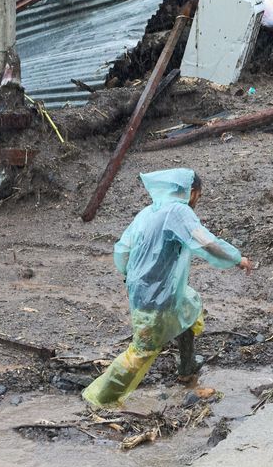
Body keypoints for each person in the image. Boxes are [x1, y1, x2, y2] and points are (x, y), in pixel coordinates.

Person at [82, 169, 253, 408]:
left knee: (189, 307)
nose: (197, 202)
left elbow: (122, 249)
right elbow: (206, 242)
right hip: (156, 296)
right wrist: (237, 259)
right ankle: (98, 397)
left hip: (153, 290)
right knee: (141, 351)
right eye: (199, 196)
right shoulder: (179, 211)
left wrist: (129, 275)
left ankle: (187, 368)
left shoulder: (147, 213)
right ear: (192, 193)